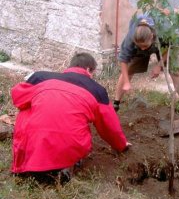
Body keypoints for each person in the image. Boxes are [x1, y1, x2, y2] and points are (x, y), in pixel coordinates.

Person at [11, 53, 130, 182]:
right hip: (68, 147)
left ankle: (26, 162)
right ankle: (63, 167)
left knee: (27, 110)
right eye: (93, 73)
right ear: (89, 70)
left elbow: (17, 97)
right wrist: (121, 145)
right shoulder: (98, 91)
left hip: (30, 145)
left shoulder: (39, 77)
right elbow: (109, 127)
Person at [114, 13, 179, 116]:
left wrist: (159, 65)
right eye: (140, 46)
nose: (143, 49)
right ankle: (115, 104)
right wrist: (127, 82)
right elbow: (123, 59)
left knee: (175, 71)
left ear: (152, 36)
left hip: (165, 46)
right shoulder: (131, 38)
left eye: (145, 46)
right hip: (143, 41)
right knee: (128, 71)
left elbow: (171, 47)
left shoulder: (164, 30)